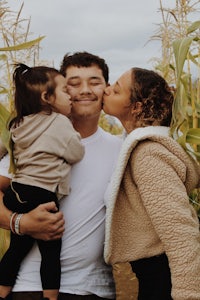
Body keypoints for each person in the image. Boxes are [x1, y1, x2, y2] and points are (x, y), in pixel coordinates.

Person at [0, 52, 122, 300]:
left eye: (95, 82)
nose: (84, 90)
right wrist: (20, 223)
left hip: (94, 287)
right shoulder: (31, 143)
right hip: (29, 286)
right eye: (73, 84)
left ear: (107, 89)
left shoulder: (123, 148)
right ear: (55, 94)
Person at [102, 67, 200, 300]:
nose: (106, 90)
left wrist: (188, 293)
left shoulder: (148, 155)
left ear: (135, 107)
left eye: (115, 90)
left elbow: (179, 230)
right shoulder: (133, 147)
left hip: (166, 280)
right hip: (155, 276)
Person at [0, 63, 84, 300]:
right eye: (66, 91)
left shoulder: (18, 123)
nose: (71, 96)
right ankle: (51, 296)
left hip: (17, 191)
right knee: (50, 253)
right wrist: (73, 136)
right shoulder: (58, 122)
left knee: (16, 250)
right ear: (47, 97)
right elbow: (76, 153)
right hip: (42, 193)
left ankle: (2, 291)